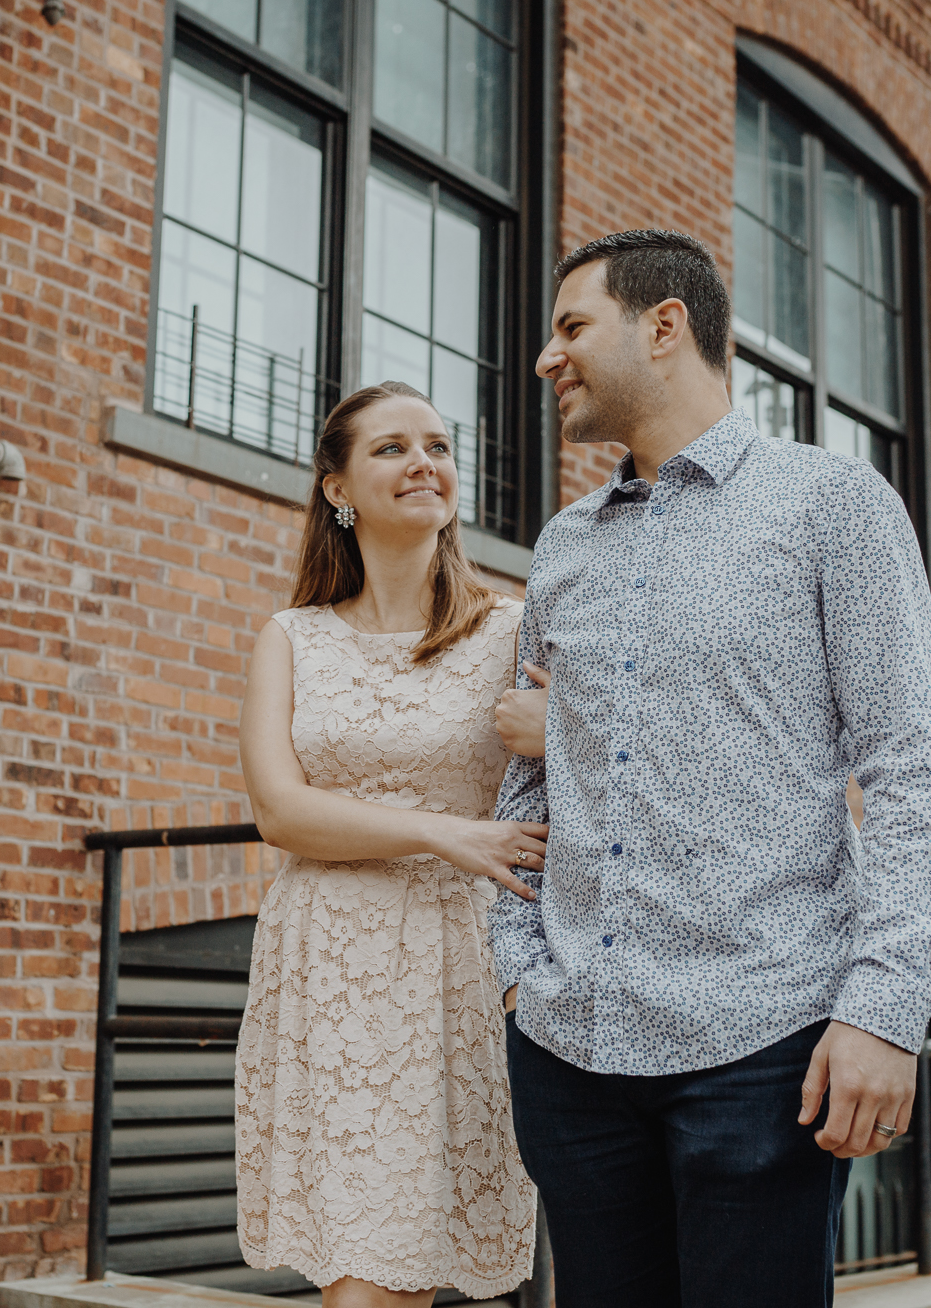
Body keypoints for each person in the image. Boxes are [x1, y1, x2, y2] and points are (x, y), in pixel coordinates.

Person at [489, 229, 931, 1306]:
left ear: (664, 327)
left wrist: (885, 1006)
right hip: (571, 1045)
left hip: (760, 1043)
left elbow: (905, 767)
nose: (545, 358)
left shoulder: (830, 505)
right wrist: (516, 968)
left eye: (569, 327)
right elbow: (536, 778)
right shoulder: (562, 543)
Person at [234, 381, 541, 1308]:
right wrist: (441, 830)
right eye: (393, 448)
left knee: (402, 1276)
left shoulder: (512, 631)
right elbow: (282, 813)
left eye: (439, 447)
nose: (425, 463)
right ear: (338, 488)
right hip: (327, 963)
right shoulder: (291, 637)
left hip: (460, 966)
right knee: (363, 1275)